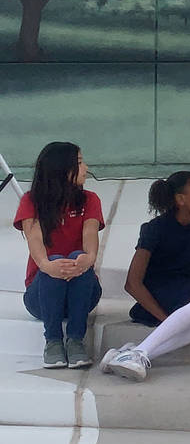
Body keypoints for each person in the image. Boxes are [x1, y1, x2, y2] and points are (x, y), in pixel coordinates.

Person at [102, 171, 190, 381]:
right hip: (159, 291)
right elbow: (132, 284)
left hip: (187, 288)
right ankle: (140, 353)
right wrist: (166, 321)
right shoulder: (154, 229)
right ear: (180, 199)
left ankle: (137, 353)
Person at [14, 142, 103, 369]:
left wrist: (88, 259)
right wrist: (46, 265)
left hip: (82, 293)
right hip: (41, 296)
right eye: (80, 162)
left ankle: (75, 341)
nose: (86, 168)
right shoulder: (31, 201)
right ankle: (53, 341)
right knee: (53, 261)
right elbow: (35, 240)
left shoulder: (90, 199)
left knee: (77, 255)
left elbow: (90, 234)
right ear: (63, 168)